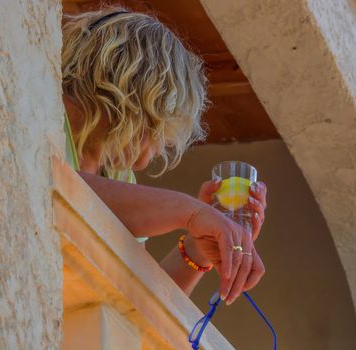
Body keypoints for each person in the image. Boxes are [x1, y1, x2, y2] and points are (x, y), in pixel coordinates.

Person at [61, 7, 267, 305]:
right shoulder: (49, 117)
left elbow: (136, 301)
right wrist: (190, 211)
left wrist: (197, 249)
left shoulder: (117, 175)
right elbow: (57, 185)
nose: (153, 153)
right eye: (156, 129)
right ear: (127, 96)